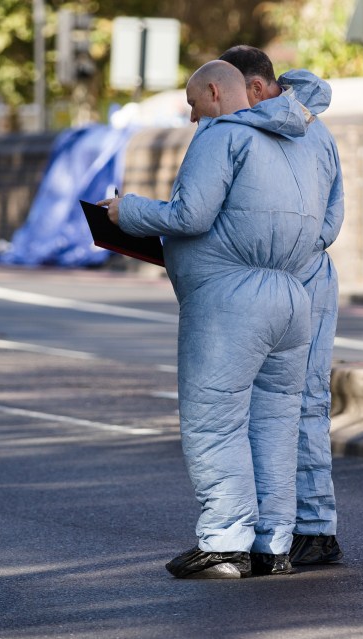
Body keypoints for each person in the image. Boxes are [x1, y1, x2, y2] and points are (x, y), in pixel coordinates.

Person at [97, 60, 324, 578]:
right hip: (291, 297)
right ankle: (273, 544)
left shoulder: (223, 135)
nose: (194, 118)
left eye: (194, 105)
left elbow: (189, 216)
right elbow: (324, 224)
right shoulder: (298, 140)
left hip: (230, 300)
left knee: (214, 422)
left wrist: (125, 212)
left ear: (216, 92)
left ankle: (225, 541)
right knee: (275, 424)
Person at [219, 45, 345, 566]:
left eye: (225, 94)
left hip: (270, 283)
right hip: (311, 277)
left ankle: (294, 529)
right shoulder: (319, 131)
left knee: (272, 407)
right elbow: (332, 218)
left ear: (252, 88)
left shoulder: (251, 133)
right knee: (300, 402)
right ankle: (306, 527)